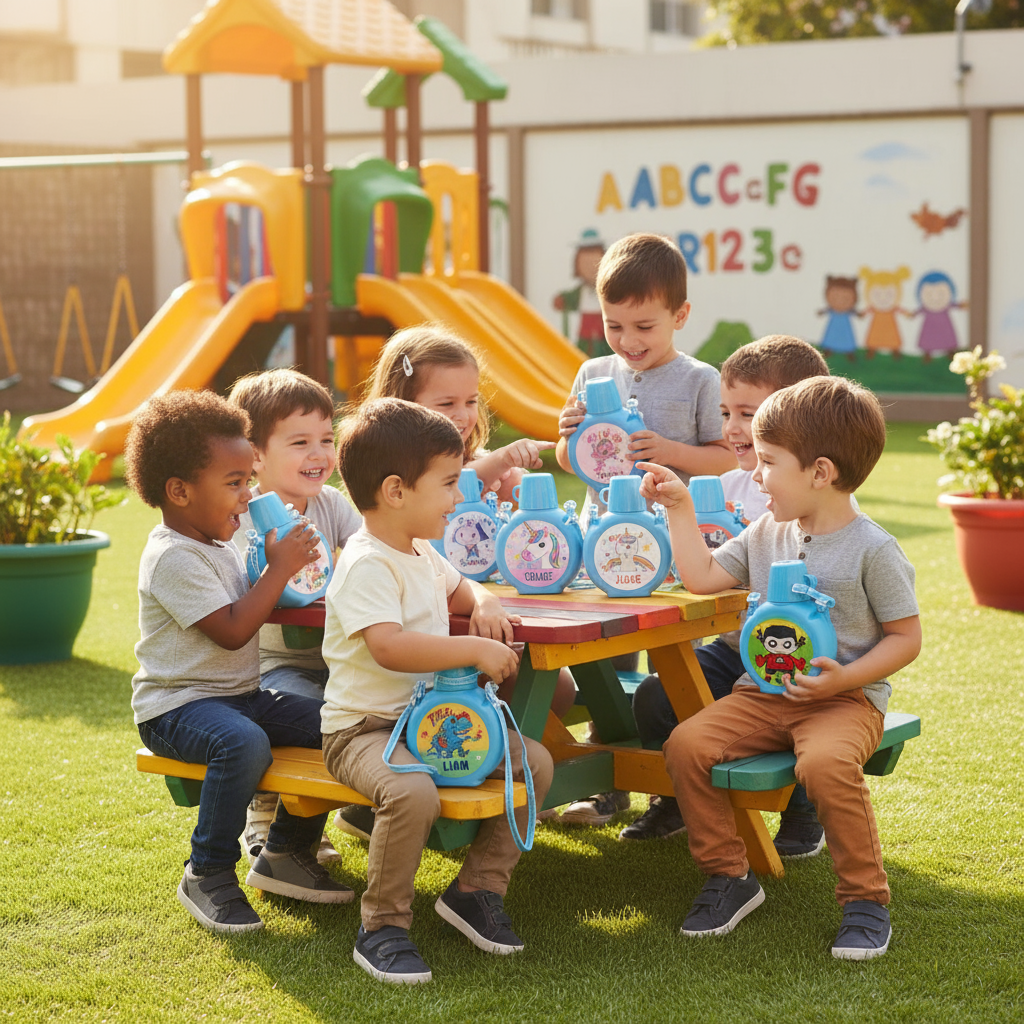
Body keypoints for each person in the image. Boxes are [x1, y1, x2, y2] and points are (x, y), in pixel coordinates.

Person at [638, 375, 921, 960]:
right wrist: (680, 508)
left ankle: (865, 900)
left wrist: (845, 678)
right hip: (761, 696)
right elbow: (703, 578)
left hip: (844, 700)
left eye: (767, 462)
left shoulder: (874, 548)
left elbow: (906, 637)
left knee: (824, 764)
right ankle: (728, 875)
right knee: (687, 745)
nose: (756, 474)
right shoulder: (768, 531)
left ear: (820, 472)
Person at [321, 397, 554, 984]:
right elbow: (389, 647)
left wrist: (487, 603)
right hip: (364, 729)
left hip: (435, 720)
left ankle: (477, 889)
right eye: (449, 484)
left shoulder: (422, 552)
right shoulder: (367, 562)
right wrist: (474, 650)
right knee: (412, 793)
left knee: (536, 765)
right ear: (397, 491)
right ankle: (384, 926)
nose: (458, 497)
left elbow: (464, 591)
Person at [125, 391, 354, 936]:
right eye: (235, 483)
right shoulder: (173, 556)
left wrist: (299, 574)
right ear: (179, 491)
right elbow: (231, 631)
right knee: (242, 743)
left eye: (248, 480)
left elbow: (262, 601)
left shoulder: (222, 541)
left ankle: (286, 851)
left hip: (239, 696)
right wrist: (278, 569)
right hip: (178, 706)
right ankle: (207, 872)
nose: (248, 495)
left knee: (337, 720)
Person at [623, 335, 832, 851]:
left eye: (749, 413)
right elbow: (701, 568)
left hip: (799, 654)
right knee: (656, 696)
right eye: (726, 413)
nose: (734, 429)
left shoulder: (820, 496)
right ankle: (671, 798)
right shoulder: (725, 482)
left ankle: (803, 811)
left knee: (797, 711)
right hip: (733, 645)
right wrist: (676, 508)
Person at [554, 231, 735, 827]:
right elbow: (570, 461)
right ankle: (611, 780)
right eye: (614, 326)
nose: (628, 342)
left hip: (671, 543)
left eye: (645, 326)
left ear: (680, 316)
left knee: (668, 666)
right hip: (598, 543)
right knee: (599, 659)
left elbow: (727, 456)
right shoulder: (592, 371)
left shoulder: (699, 380)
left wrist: (672, 450)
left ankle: (671, 787)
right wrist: (568, 435)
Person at [227, 368, 361, 864]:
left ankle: (351, 809)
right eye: (300, 441)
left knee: (369, 709)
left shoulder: (331, 504)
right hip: (274, 669)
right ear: (255, 454)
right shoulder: (243, 518)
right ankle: (271, 819)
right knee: (317, 721)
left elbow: (369, 548)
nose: (320, 454)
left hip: (336, 659)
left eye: (327, 439)